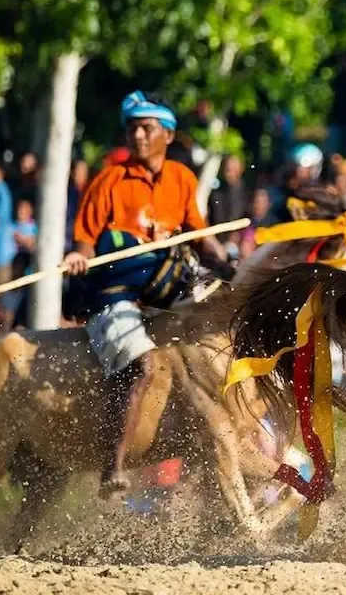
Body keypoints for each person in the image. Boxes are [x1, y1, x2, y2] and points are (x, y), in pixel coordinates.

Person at [63, 91, 225, 496]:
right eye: (132, 128)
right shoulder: (108, 180)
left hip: (166, 288)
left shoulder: (182, 178)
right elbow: (85, 241)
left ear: (167, 134)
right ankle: (112, 467)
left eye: (146, 127)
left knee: (223, 328)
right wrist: (78, 256)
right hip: (115, 294)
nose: (137, 135)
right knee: (141, 365)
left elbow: (201, 237)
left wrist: (229, 264)